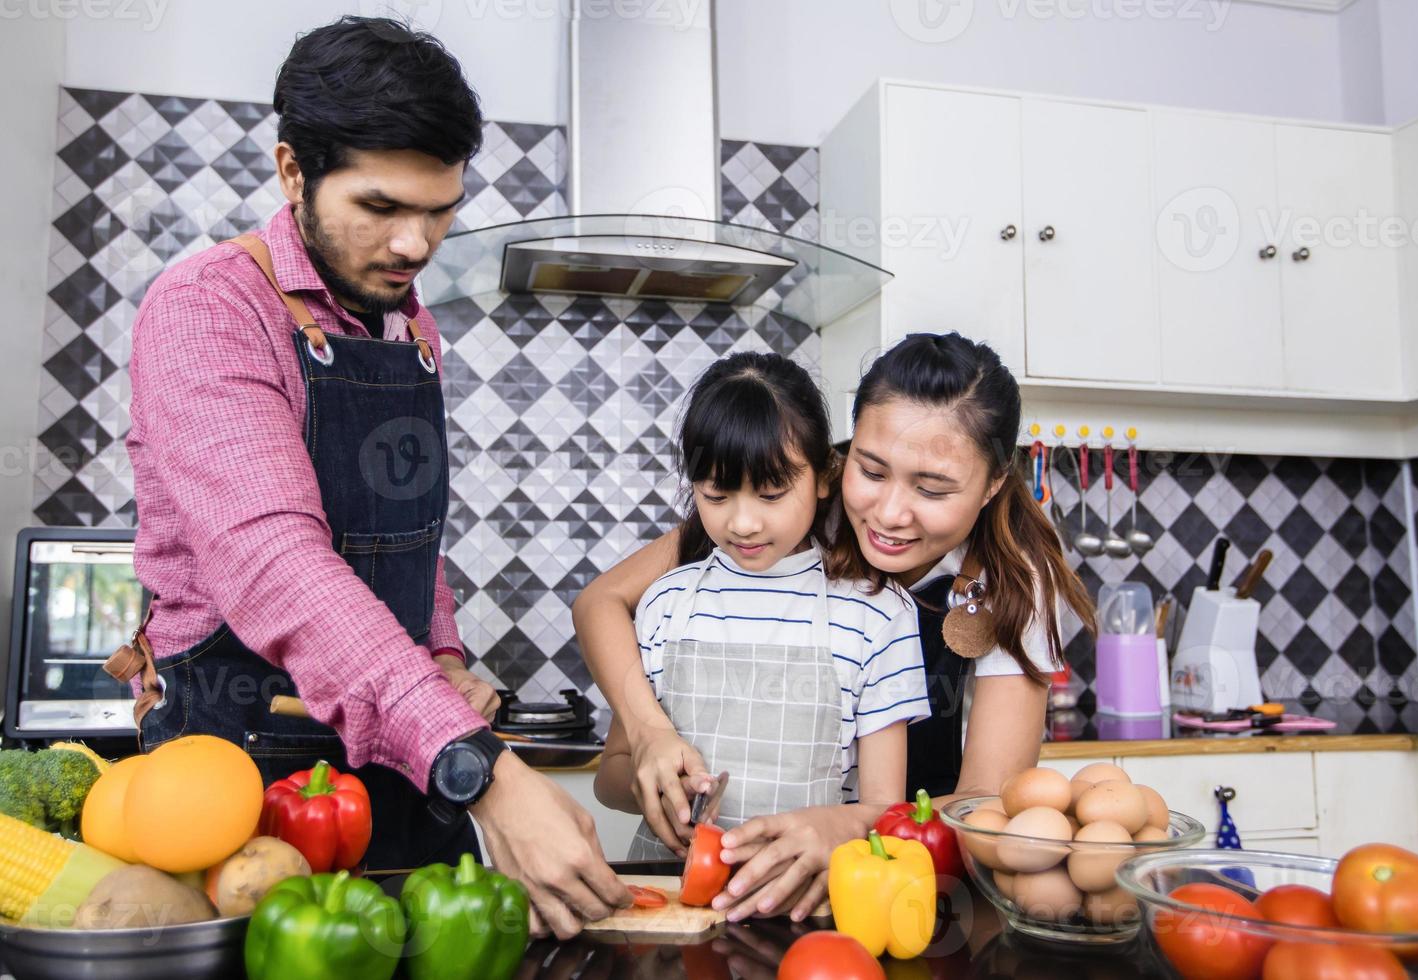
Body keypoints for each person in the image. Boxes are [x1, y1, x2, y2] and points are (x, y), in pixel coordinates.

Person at [116, 17, 626, 938]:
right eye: (382, 207)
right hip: (240, 759)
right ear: (291, 172)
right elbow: (277, 562)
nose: (417, 243)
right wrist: (484, 767)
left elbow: (404, 533)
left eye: (440, 211)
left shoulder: (407, 326)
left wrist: (441, 656)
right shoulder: (207, 311)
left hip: (397, 745)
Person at [574, 333, 1093, 921]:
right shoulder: (782, 503)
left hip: (909, 872)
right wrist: (647, 733)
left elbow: (984, 802)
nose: (889, 514)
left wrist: (854, 823)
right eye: (872, 471)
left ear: (995, 481)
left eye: (932, 488)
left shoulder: (1015, 579)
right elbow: (600, 603)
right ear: (840, 462)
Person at [590, 352, 928, 865]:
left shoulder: (878, 615)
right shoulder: (664, 603)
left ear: (823, 477)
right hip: (672, 891)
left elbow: (887, 811)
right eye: (717, 495)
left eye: (772, 493)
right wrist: (654, 780)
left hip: (807, 900)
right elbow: (610, 777)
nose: (743, 523)